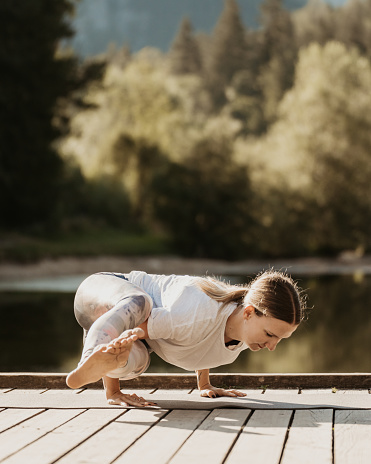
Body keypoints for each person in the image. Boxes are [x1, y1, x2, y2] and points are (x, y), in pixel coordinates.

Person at [66, 269, 307, 407]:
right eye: (270, 335)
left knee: (137, 360)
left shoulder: (244, 332)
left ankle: (107, 371)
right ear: (248, 312)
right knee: (141, 305)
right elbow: (138, 328)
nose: (272, 346)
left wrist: (204, 384)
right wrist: (113, 382)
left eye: (280, 339)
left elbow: (207, 341)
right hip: (103, 291)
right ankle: (88, 360)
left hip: (127, 323)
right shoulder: (194, 314)